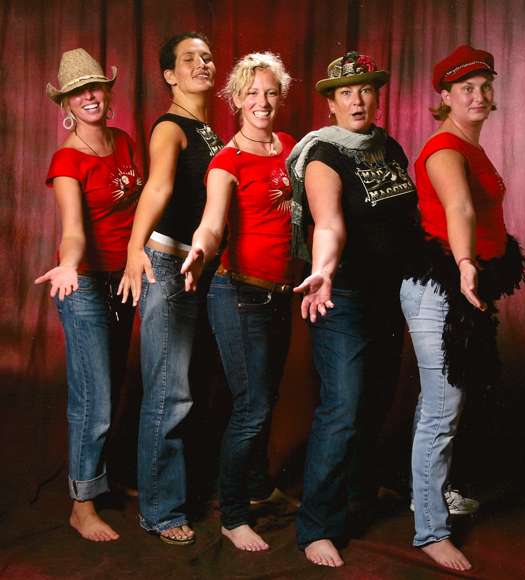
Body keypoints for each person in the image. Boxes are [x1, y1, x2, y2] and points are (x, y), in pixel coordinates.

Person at [288, 51, 421, 567]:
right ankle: (317, 525)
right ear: (331, 103)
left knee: (375, 403)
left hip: (393, 297)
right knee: (341, 409)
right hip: (341, 298)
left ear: (378, 95)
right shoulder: (323, 155)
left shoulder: (390, 148)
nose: (358, 99)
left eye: (366, 89)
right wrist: (324, 268)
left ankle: (359, 493)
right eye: (346, 92)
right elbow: (328, 223)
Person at [401, 45, 525, 571]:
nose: (478, 96)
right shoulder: (445, 148)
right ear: (446, 97)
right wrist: (466, 262)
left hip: (460, 285)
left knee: (443, 400)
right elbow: (458, 207)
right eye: (465, 89)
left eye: (484, 86)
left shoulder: (471, 145)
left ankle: (426, 495)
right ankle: (430, 530)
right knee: (443, 407)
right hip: (441, 287)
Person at [181, 52, 300, 552]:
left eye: (270, 92)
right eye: (252, 93)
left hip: (280, 294)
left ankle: (255, 489)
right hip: (237, 293)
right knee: (250, 406)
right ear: (235, 99)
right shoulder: (226, 160)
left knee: (264, 400)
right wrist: (200, 251)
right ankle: (233, 516)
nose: (262, 102)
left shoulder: (291, 146)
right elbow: (212, 222)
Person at [117, 32, 223, 545]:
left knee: (190, 387)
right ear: (169, 75)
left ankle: (171, 491)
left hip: (198, 268)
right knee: (169, 389)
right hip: (166, 261)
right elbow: (156, 187)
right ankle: (160, 511)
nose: (202, 64)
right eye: (189, 59)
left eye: (206, 57)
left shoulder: (208, 130)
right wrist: (135, 249)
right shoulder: (171, 126)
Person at [35, 49, 143, 541]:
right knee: (93, 397)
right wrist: (67, 263)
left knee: (112, 387)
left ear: (108, 92)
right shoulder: (67, 159)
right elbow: (74, 231)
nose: (90, 96)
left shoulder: (123, 141)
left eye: (96, 87)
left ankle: (102, 479)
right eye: (80, 92)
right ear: (68, 104)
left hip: (124, 280)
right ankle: (82, 504)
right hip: (82, 284)